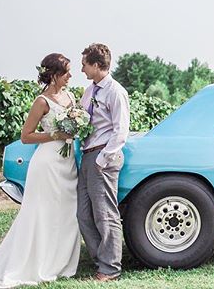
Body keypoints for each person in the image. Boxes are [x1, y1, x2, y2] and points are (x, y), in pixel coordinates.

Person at [0, 53, 81, 289]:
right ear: (53, 74)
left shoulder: (70, 96)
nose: (71, 75)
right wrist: (55, 135)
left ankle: (60, 262)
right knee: (42, 213)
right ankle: (37, 262)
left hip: (68, 162)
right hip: (47, 163)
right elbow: (26, 136)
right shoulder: (42, 102)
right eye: (66, 72)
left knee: (67, 213)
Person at [77, 43, 130, 282]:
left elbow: (121, 131)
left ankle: (110, 269)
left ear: (97, 65)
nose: (82, 69)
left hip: (103, 158)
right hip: (88, 156)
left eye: (85, 64)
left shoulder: (115, 91)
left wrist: (102, 159)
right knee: (83, 214)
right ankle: (101, 260)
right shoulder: (89, 91)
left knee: (105, 214)